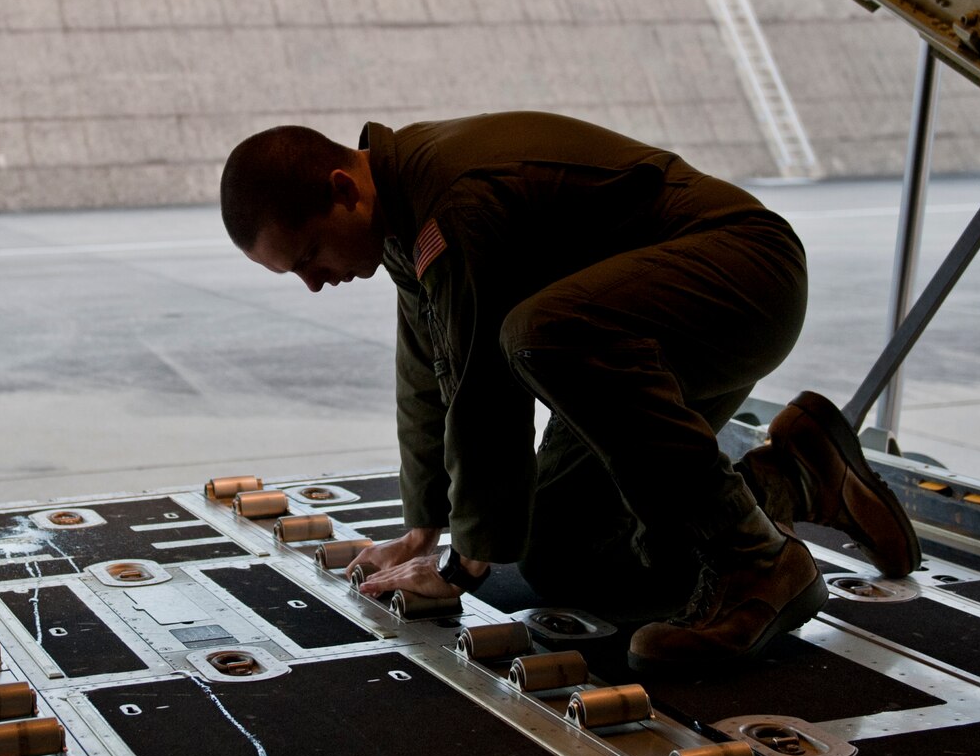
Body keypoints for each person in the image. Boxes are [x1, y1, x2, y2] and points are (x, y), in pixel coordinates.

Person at [219, 114, 920, 672]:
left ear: (344, 188)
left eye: (309, 254)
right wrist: (423, 525)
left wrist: (460, 569)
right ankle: (795, 476)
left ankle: (757, 562)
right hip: (656, 324)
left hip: (743, 277)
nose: (313, 281)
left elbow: (482, 393)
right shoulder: (407, 214)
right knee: (560, 554)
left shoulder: (451, 204)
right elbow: (427, 375)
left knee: (533, 335)